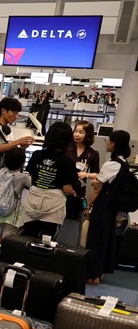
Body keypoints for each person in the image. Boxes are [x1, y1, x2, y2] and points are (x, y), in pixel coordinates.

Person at [0, 97, 35, 242]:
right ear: (3, 111)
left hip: (4, 178)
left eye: (17, 114)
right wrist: (17, 142)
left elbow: (9, 152)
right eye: (13, 113)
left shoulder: (8, 131)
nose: (15, 117)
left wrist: (21, 147)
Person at [80, 130, 131, 284]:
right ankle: (100, 272)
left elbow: (97, 188)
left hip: (103, 206)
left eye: (108, 140)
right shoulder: (124, 163)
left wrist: (88, 206)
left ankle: (92, 274)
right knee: (106, 239)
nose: (106, 142)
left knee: (95, 239)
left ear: (114, 143)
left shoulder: (112, 164)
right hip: (112, 207)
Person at [20, 121, 80, 239]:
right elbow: (67, 189)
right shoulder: (67, 162)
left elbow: (32, 174)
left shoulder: (37, 155)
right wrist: (73, 192)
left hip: (33, 201)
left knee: (27, 236)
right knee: (47, 240)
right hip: (53, 206)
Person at [0, 147, 32, 240]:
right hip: (12, 212)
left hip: (0, 210)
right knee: (9, 237)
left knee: (3, 233)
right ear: (22, 163)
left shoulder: (3, 172)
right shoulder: (23, 177)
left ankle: (0, 243)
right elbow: (32, 185)